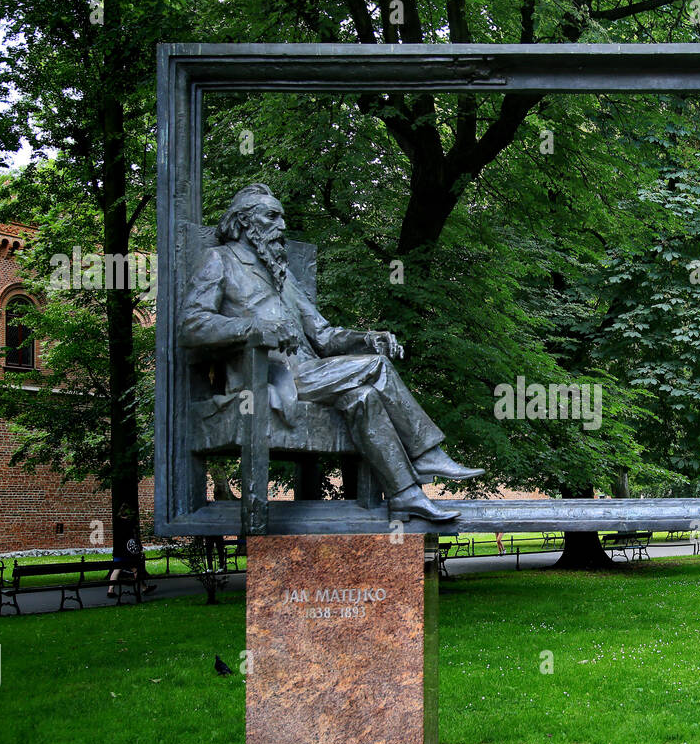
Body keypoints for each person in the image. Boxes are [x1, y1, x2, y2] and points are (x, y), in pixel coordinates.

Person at [181, 183, 483, 522]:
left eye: (283, 217)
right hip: (266, 377)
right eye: (272, 216)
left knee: (364, 396)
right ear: (245, 222)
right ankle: (425, 452)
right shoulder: (220, 260)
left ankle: (405, 496)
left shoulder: (283, 277)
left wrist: (368, 338)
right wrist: (254, 328)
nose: (282, 226)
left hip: (310, 373)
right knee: (377, 369)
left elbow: (324, 335)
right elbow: (191, 325)